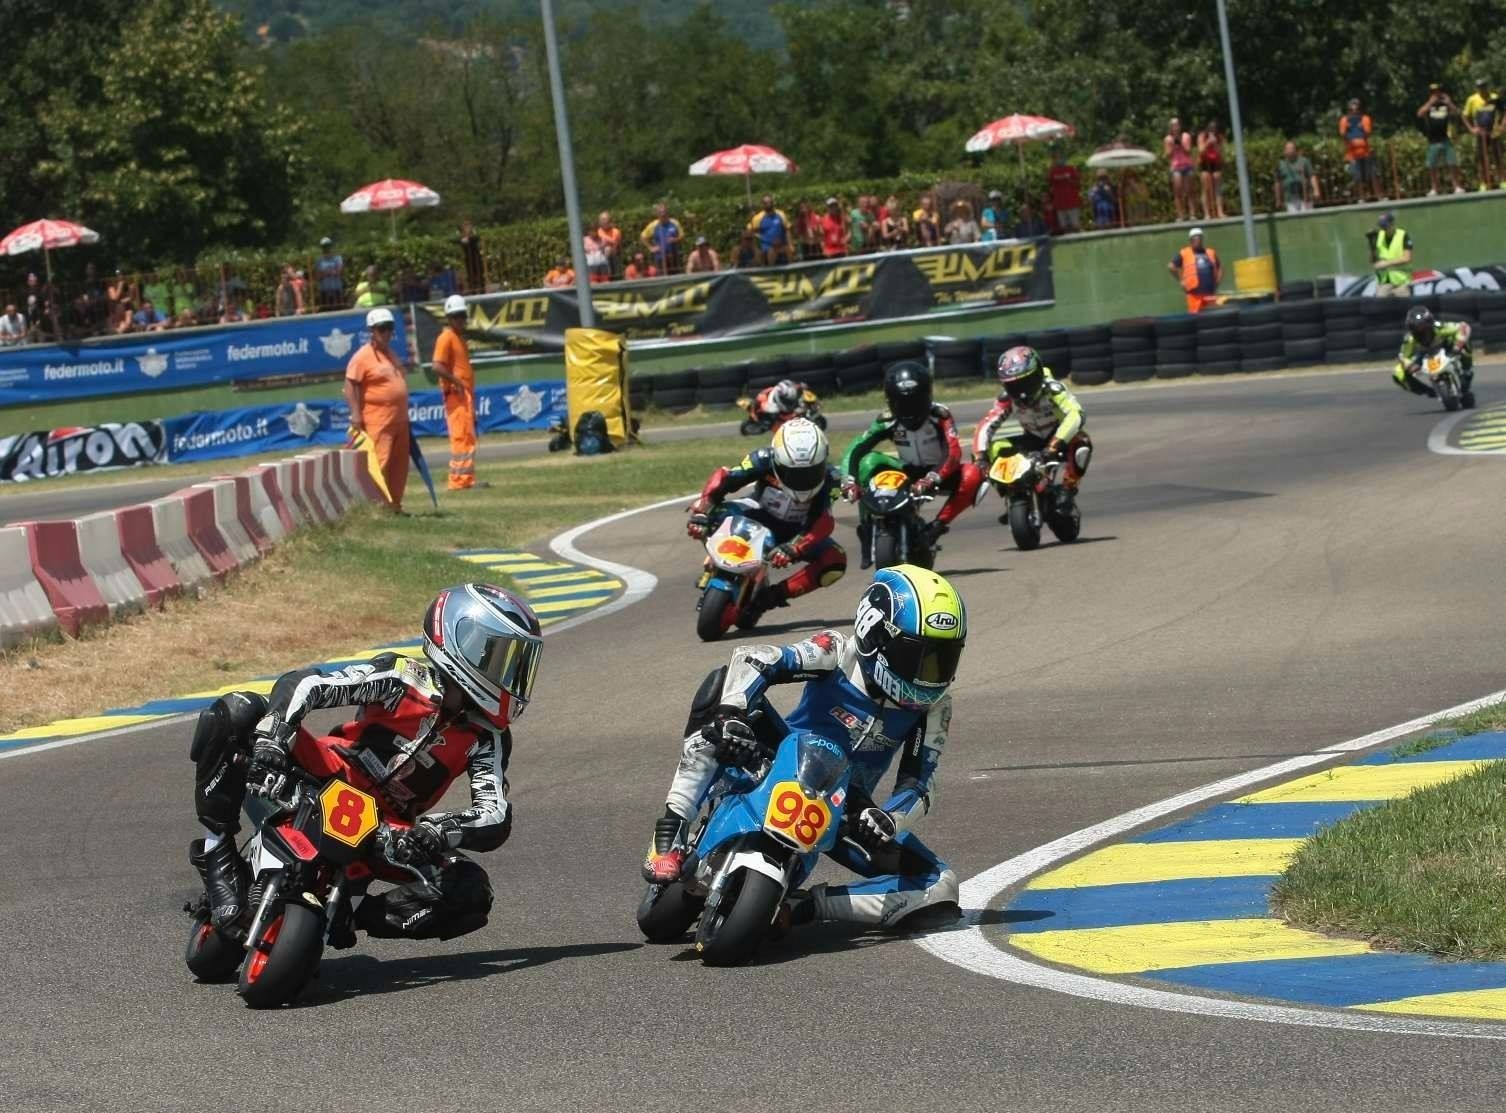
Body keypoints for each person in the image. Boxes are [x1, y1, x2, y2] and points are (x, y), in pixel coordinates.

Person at [189, 583, 542, 941]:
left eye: (518, 664)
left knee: (470, 889)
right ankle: (217, 852)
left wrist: (436, 830)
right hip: (323, 774)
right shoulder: (401, 677)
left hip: (387, 830)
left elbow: (494, 813)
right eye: (501, 658)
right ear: (458, 639)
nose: (510, 675)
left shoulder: (489, 738)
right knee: (238, 710)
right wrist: (273, 740)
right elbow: (308, 684)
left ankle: (352, 915)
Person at [640, 566, 965, 932]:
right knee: (718, 687)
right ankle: (672, 827)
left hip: (846, 806)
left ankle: (806, 906)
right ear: (875, 633)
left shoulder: (935, 707)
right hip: (776, 755)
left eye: (942, 659)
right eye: (919, 657)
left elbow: (921, 781)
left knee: (941, 886)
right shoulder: (836, 651)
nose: (930, 676)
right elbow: (755, 658)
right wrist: (735, 712)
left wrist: (890, 817)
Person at [685, 418, 846, 625]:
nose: (803, 480)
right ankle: (715, 562)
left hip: (796, 534)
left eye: (811, 472)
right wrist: (702, 510)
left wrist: (795, 547)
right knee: (712, 515)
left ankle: (770, 597)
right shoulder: (762, 459)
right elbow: (725, 477)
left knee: (835, 561)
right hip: (756, 513)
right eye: (793, 472)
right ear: (778, 461)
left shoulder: (832, 479)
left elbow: (823, 522)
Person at [840, 362, 982, 568]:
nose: (909, 409)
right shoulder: (887, 420)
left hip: (939, 472)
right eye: (902, 404)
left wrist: (932, 478)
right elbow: (856, 448)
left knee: (973, 473)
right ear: (891, 402)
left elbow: (953, 452)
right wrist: (848, 481)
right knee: (868, 462)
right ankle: (867, 527)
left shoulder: (940, 416)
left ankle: (937, 526)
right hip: (906, 471)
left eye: (915, 402)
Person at [972, 346, 1092, 523]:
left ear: (1037, 375)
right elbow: (986, 425)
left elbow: (1076, 414)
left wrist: (1055, 444)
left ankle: (1068, 490)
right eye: (1013, 385)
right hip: (1032, 438)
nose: (1021, 391)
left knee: (1082, 442)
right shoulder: (1007, 399)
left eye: (1025, 383)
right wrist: (980, 456)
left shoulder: (1053, 389)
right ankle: (1012, 495)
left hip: (1058, 437)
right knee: (995, 447)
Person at [345, 307, 412, 513]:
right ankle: (376, 509)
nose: (387, 333)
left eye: (390, 329)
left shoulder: (390, 354)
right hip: (378, 421)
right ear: (372, 331)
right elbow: (350, 385)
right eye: (382, 329)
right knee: (379, 465)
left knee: (399, 467)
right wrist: (356, 414)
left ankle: (394, 506)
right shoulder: (362, 356)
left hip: (399, 421)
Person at [432, 294, 479, 492]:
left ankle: (466, 478)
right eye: (456, 316)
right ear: (449, 318)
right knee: (460, 437)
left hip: (463, 394)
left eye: (462, 315)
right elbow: (437, 366)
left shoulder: (458, 338)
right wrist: (457, 382)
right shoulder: (446, 337)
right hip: (455, 394)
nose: (460, 320)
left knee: (467, 437)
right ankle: (458, 481)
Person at [1392, 305, 1473, 402]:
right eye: (1414, 328)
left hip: (1445, 346)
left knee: (1464, 345)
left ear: (1430, 323)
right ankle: (1428, 391)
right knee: (1398, 373)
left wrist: (1457, 345)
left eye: (1422, 327)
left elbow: (1463, 327)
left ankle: (1467, 370)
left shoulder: (1439, 327)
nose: (1419, 331)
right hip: (1423, 354)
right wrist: (1409, 365)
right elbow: (1403, 356)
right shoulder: (1410, 339)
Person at [1417, 84, 1466, 195]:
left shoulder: (1445, 106)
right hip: (1433, 140)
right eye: (1433, 92)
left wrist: (1449, 102)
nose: (1436, 94)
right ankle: (1434, 188)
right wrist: (1430, 102)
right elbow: (1419, 113)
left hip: (1445, 138)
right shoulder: (1429, 106)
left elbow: (1456, 113)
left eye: (1438, 91)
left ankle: (1456, 186)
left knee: (1452, 163)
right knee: (1432, 165)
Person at [1168, 226, 1221, 314]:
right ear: (1191, 240)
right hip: (1194, 296)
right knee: (1196, 318)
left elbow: (1220, 267)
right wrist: (1181, 280)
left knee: (1213, 317)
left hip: (1209, 294)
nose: (1197, 240)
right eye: (1195, 239)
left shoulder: (1210, 252)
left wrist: (1217, 282)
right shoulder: (1184, 253)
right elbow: (1171, 266)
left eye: (1199, 238)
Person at [1462, 78, 1502, 191]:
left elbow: (1502, 112)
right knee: (1482, 159)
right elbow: (1465, 115)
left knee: (1498, 157)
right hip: (1481, 133)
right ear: (1477, 88)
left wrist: (1501, 127)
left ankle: (1503, 181)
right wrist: (1471, 129)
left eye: (1484, 86)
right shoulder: (1472, 99)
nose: (1482, 89)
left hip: (1494, 132)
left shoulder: (1494, 97)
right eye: (1479, 87)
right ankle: (1484, 183)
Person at [1339, 98, 1381, 202]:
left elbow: (1367, 133)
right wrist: (1347, 129)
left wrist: (1361, 127)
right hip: (1352, 154)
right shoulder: (1344, 120)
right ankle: (1361, 198)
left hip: (1365, 152)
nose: (1354, 111)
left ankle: (1380, 196)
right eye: (1352, 109)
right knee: (1357, 177)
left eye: (1357, 109)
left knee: (1373, 175)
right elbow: (1343, 134)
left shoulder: (1365, 118)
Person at [1369, 212, 1412, 298]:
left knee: (1403, 308)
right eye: (1381, 226)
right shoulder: (1378, 236)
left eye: (1385, 226)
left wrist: (1386, 263)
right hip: (1383, 282)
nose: (1383, 228)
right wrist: (1371, 244)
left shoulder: (1403, 235)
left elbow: (1407, 258)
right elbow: (1372, 260)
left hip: (1401, 282)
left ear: (1392, 224)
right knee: (1381, 309)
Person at [1274, 141, 1320, 213]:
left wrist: (1316, 191)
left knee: (1308, 218)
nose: (1290, 151)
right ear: (1284, 151)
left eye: (1292, 148)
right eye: (1288, 149)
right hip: (1290, 198)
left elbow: (1312, 176)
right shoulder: (1280, 165)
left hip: (1305, 197)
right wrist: (1278, 199)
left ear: (1295, 150)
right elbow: (1277, 182)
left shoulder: (1304, 161)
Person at [1164, 117, 1196, 221]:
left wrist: (1180, 143)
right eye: (1173, 125)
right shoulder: (1168, 139)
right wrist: (1173, 145)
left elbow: (1188, 151)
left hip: (1187, 165)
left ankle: (1192, 214)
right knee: (1178, 192)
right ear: (1170, 127)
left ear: (1180, 126)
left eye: (1177, 125)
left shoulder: (1186, 136)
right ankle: (1181, 215)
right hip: (1176, 167)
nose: (1175, 127)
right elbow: (1167, 155)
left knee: (1190, 191)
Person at [639, 202, 683, 274]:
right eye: (660, 212)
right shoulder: (653, 225)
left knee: (676, 277)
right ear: (657, 214)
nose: (663, 214)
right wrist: (650, 248)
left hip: (674, 256)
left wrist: (675, 239)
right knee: (663, 277)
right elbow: (642, 237)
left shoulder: (675, 222)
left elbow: (682, 236)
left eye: (664, 212)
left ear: (667, 212)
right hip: (660, 258)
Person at [748, 194, 792, 265]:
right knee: (771, 252)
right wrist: (760, 240)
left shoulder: (780, 214)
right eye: (765, 203)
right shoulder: (758, 218)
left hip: (781, 244)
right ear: (762, 205)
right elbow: (751, 232)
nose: (768, 204)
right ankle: (771, 271)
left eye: (770, 202)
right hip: (767, 246)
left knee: (788, 250)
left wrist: (790, 244)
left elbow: (787, 230)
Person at [1196, 119, 1227, 220]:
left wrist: (1216, 145)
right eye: (1211, 129)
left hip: (1215, 163)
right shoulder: (1202, 136)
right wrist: (1208, 143)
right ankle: (1207, 213)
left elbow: (1221, 153)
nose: (1213, 131)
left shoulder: (1220, 137)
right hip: (1205, 163)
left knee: (1217, 187)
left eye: (1215, 129)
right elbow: (1201, 151)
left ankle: (1220, 211)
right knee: (1206, 187)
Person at [1048, 152, 1083, 232]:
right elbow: (1050, 184)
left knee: (1075, 225)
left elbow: (1078, 184)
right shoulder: (1052, 171)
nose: (1059, 160)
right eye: (1057, 158)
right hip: (1060, 203)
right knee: (1063, 226)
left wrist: (1068, 179)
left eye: (1060, 158)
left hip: (1072, 201)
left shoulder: (1071, 169)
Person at [315, 237, 344, 310]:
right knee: (325, 310)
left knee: (338, 309)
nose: (326, 248)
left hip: (336, 289)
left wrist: (325, 273)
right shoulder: (319, 260)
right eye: (324, 246)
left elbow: (339, 272)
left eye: (327, 246)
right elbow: (318, 276)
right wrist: (331, 272)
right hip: (324, 290)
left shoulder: (337, 258)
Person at [458, 219, 485, 293]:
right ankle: (473, 291)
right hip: (469, 260)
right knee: (471, 276)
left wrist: (469, 239)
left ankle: (482, 290)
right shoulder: (462, 237)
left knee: (480, 275)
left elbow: (476, 239)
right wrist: (465, 240)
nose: (468, 228)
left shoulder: (474, 235)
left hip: (476, 258)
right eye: (466, 226)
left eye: (469, 226)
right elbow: (462, 242)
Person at [593, 212, 623, 276]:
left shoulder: (616, 231)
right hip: (599, 253)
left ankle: (611, 273)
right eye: (601, 220)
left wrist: (606, 240)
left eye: (605, 219)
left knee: (608, 249)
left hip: (613, 252)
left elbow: (615, 243)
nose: (603, 222)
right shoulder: (598, 231)